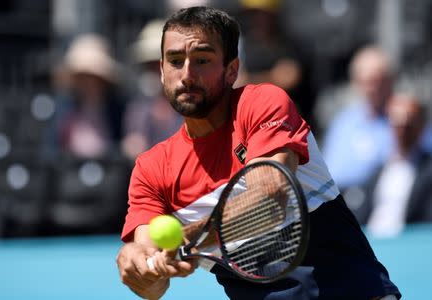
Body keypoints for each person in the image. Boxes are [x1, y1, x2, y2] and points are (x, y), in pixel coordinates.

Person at [116, 7, 400, 300]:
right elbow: (154, 288)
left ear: (231, 70)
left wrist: (193, 236)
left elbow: (272, 198)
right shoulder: (151, 170)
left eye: (202, 60)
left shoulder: (262, 103)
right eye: (175, 61)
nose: (187, 74)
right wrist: (140, 268)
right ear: (162, 71)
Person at [352, 88, 432, 237]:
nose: (402, 132)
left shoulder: (428, 170)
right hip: (373, 245)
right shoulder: (378, 170)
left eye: (408, 125)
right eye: (397, 124)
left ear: (421, 126)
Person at [320, 46, 395, 191]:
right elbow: (332, 172)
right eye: (367, 82)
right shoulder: (344, 122)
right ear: (356, 83)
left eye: (379, 81)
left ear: (391, 80)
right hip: (345, 200)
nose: (373, 89)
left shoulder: (404, 120)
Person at [121, 19, 183, 160]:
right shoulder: (138, 108)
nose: (156, 70)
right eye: (150, 65)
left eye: (159, 63)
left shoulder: (192, 103)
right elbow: (134, 145)